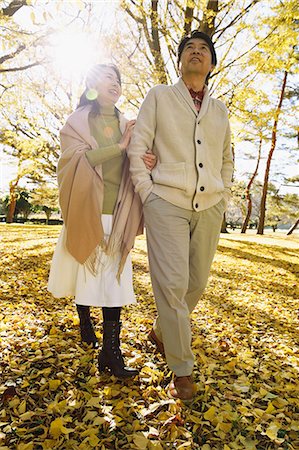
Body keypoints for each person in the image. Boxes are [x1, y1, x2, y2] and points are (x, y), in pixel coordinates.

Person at [127, 31, 234, 400]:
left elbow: (225, 158)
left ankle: (161, 330)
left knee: (196, 285)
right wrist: (147, 192)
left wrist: (223, 193)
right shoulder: (158, 96)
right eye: (189, 48)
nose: (196, 52)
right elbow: (139, 145)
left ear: (212, 64)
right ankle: (181, 367)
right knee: (172, 285)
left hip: (210, 206)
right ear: (180, 60)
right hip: (166, 202)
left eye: (204, 49)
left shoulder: (219, 110)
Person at [48, 63, 156, 379]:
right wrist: (118, 147)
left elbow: (139, 161)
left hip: (118, 212)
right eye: (108, 78)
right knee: (85, 277)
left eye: (118, 79)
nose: (115, 83)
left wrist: (147, 158)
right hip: (87, 211)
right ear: (92, 84)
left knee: (115, 283)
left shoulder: (129, 124)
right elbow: (73, 161)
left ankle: (111, 352)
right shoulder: (77, 122)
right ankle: (84, 319)